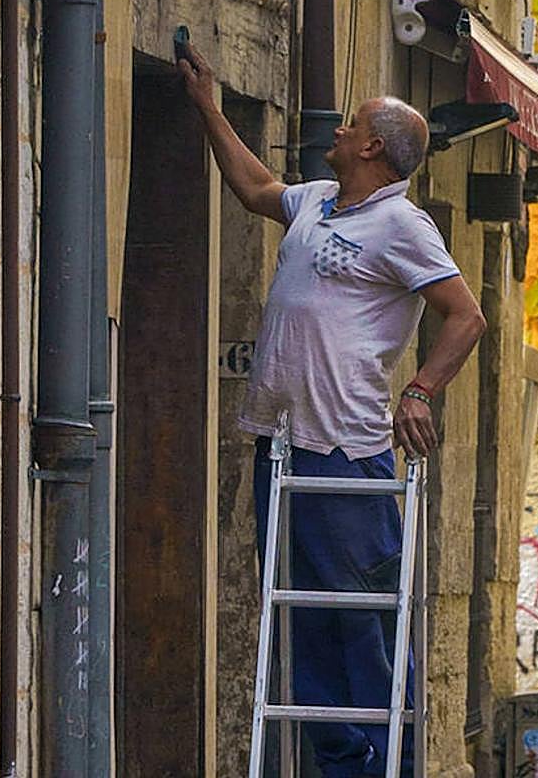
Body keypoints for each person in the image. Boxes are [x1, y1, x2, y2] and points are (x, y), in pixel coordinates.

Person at [181, 46, 485, 777]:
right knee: (302, 620)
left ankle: (392, 766)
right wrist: (208, 109)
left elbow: (466, 317)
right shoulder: (317, 198)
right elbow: (256, 189)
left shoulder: (403, 226)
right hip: (282, 446)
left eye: (351, 127)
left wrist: (419, 392)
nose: (340, 133)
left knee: (364, 623)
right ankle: (341, 766)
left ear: (373, 146)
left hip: (347, 450)